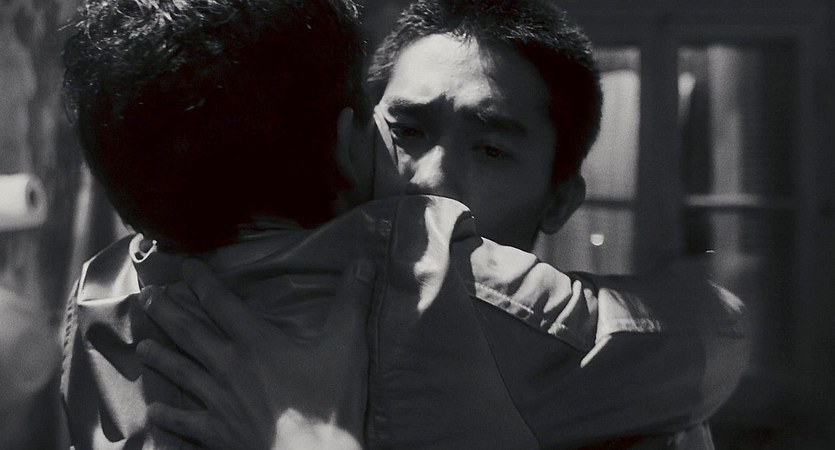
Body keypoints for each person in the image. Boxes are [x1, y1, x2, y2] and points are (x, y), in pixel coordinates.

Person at [60, 0, 748, 449]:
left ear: (559, 199)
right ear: (350, 136)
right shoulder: (460, 298)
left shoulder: (107, 301)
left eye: (490, 148)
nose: (427, 181)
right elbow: (716, 331)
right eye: (406, 131)